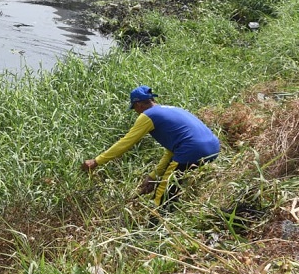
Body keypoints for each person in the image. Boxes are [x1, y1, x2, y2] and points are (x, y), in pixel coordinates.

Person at [81, 85, 219, 205]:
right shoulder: (171, 109)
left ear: (138, 105)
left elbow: (126, 142)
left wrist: (96, 161)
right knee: (171, 188)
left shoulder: (148, 115)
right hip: (213, 148)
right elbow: (171, 152)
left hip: (192, 151)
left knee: (162, 195)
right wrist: (153, 177)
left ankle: (156, 222)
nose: (136, 111)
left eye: (134, 108)